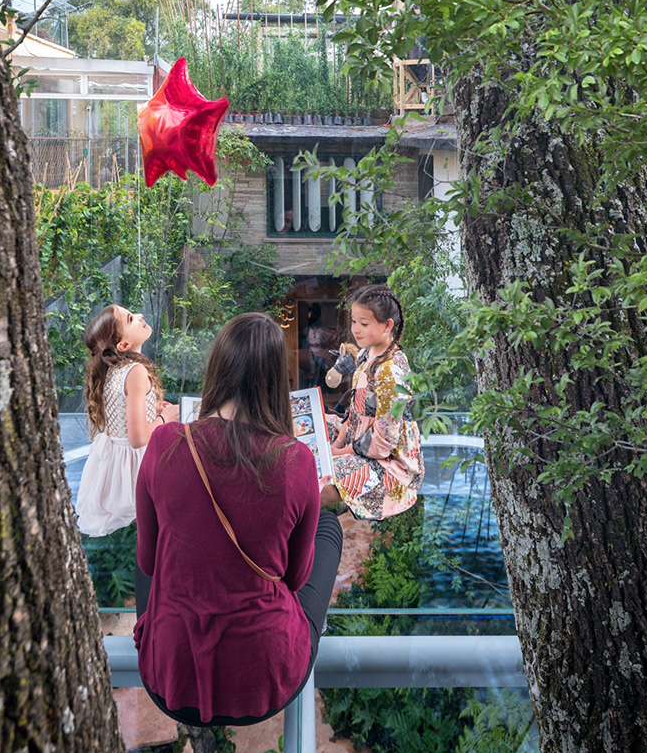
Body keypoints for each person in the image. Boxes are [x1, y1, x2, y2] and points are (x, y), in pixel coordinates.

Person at [134, 312, 343, 726]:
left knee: (152, 533)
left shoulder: (163, 443)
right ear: (274, 382)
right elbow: (295, 579)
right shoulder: (296, 461)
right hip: (266, 678)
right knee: (328, 524)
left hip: (170, 676)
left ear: (217, 369)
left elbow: (146, 563)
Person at [75, 304, 179, 537]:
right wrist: (166, 417)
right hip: (134, 470)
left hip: (114, 467)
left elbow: (124, 414)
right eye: (131, 318)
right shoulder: (135, 371)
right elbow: (138, 437)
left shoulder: (115, 370)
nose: (141, 316)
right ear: (123, 345)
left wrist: (152, 410)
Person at [328, 285, 423, 521]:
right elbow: (355, 410)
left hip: (388, 462)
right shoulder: (366, 354)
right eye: (354, 322)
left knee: (315, 478)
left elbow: (383, 441)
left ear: (388, 325)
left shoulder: (391, 371)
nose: (356, 330)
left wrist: (339, 453)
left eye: (364, 323)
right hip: (357, 440)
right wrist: (338, 442)